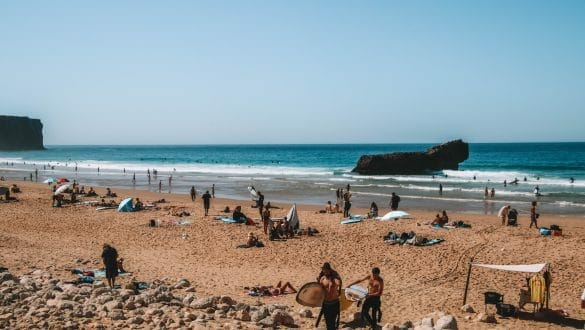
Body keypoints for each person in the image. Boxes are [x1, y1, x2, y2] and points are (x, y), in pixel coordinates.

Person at [317, 263, 341, 330]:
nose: (324, 271)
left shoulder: (335, 279)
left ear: (329, 270)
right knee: (328, 322)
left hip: (334, 303)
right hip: (326, 304)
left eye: (326, 270)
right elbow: (319, 290)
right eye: (323, 270)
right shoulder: (322, 279)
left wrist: (332, 282)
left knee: (332, 322)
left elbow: (338, 283)